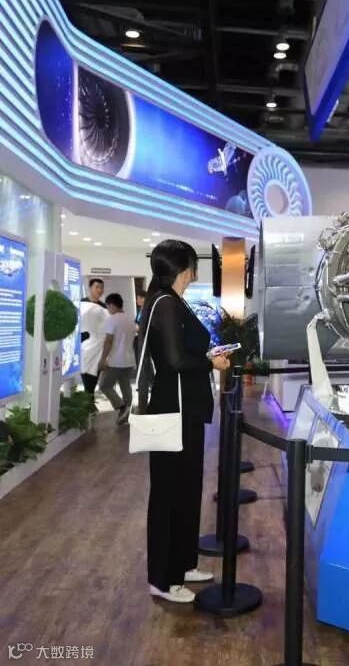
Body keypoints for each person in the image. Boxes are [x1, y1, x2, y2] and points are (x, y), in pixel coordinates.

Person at [138, 240, 230, 604]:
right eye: (192, 264)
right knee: (169, 494)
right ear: (183, 266)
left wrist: (208, 355)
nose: (195, 271)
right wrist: (210, 362)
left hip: (185, 410)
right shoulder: (164, 302)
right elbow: (175, 361)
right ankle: (163, 579)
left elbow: (180, 352)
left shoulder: (172, 301)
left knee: (187, 489)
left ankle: (183, 563)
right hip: (171, 409)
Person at [98, 293, 136, 426]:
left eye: (108, 307)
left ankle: (122, 407)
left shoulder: (112, 320)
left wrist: (103, 359)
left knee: (104, 385)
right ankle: (127, 414)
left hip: (115, 360)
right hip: (129, 359)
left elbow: (109, 341)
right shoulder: (130, 320)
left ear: (112, 305)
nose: (108, 310)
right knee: (125, 386)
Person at [80, 279, 107, 395]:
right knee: (85, 375)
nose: (100, 290)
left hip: (98, 349)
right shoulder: (81, 303)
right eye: (97, 287)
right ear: (90, 287)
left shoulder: (104, 307)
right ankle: (88, 400)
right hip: (84, 346)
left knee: (93, 379)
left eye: (101, 287)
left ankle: (89, 399)